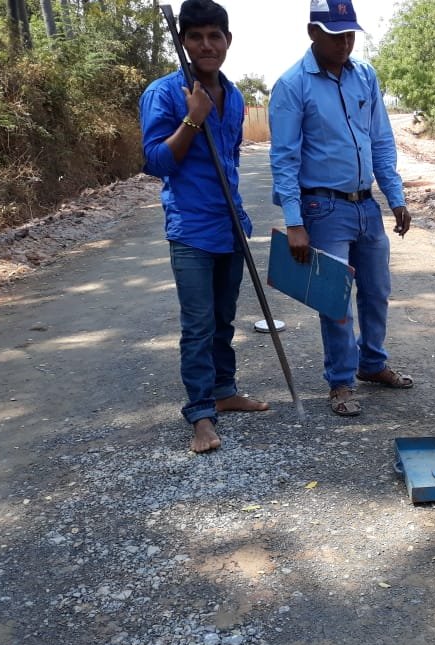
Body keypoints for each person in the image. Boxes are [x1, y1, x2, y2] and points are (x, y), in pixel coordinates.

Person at [269, 0, 413, 418]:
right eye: (335, 35)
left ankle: (373, 363)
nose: (345, 43)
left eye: (350, 34)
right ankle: (341, 380)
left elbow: (381, 141)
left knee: (377, 290)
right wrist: (294, 221)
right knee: (335, 298)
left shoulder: (365, 76)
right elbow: (284, 159)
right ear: (313, 32)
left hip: (365, 204)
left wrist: (395, 196)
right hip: (323, 206)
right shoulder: (292, 85)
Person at [140, 0, 268, 454]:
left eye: (215, 36)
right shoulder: (164, 93)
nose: (206, 45)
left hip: (230, 226)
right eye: (195, 37)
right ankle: (200, 413)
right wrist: (192, 119)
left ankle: (224, 390)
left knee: (222, 319)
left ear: (228, 41)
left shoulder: (234, 96)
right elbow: (156, 162)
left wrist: (241, 216)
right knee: (197, 325)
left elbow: (230, 162)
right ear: (183, 41)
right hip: (191, 230)